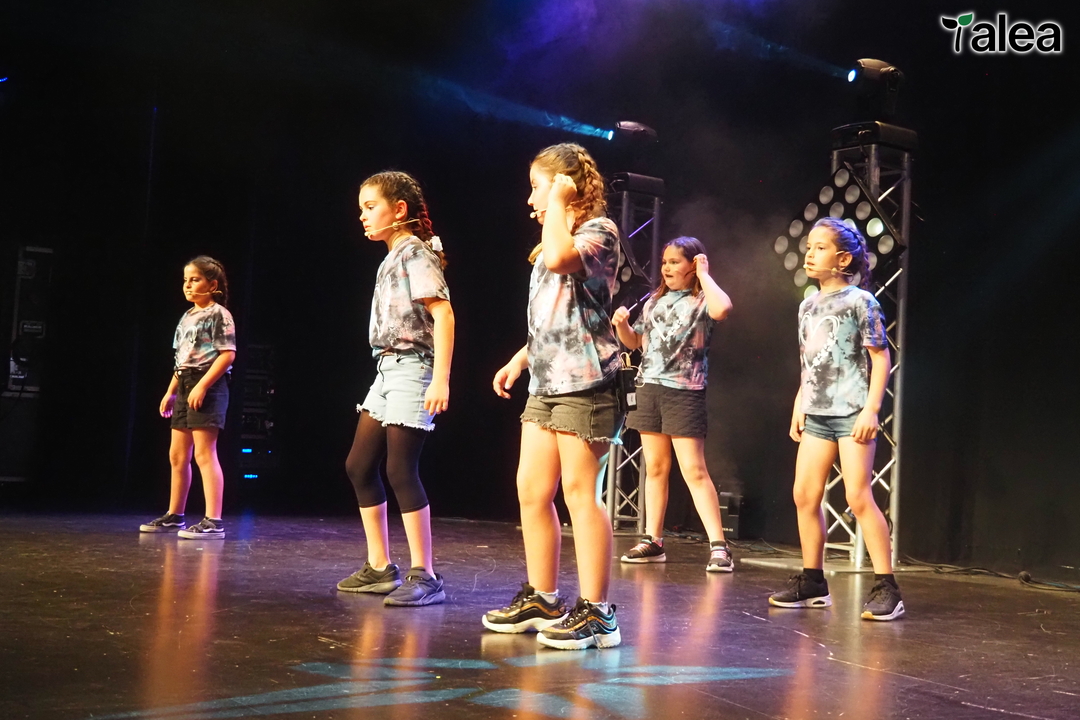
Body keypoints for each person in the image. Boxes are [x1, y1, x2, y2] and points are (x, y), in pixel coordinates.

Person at [482, 143, 623, 650]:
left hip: (587, 384)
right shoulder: (553, 237)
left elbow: (564, 260)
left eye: (538, 187)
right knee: (531, 489)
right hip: (547, 383)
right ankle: (543, 598)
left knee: (581, 494)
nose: (531, 199)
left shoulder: (599, 233)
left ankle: (599, 613)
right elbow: (556, 315)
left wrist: (559, 203)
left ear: (565, 186)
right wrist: (521, 358)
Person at [768, 217, 904, 621]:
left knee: (858, 497)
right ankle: (813, 581)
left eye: (820, 247)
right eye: (809, 247)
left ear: (843, 259)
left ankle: (887, 587)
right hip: (818, 413)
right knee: (804, 494)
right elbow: (809, 361)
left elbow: (881, 358)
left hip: (850, 412)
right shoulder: (807, 305)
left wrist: (871, 409)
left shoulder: (862, 302)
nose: (810, 253)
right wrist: (800, 402)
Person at [336, 171, 454, 608]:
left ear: (399, 209)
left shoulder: (415, 253)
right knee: (358, 465)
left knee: (401, 469)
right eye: (361, 209)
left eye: (371, 207)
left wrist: (440, 378)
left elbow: (444, 314)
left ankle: (426, 574)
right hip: (387, 369)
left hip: (413, 368)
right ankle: (380, 567)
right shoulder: (392, 257)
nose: (363, 216)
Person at [611, 236, 735, 572]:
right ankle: (653, 541)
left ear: (692, 264)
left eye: (675, 262)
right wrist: (623, 326)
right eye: (664, 262)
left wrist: (704, 275)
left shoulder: (702, 299)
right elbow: (637, 343)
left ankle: (720, 547)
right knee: (655, 468)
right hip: (649, 388)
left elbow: (723, 309)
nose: (666, 267)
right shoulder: (655, 301)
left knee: (693, 469)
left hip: (684, 390)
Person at [140, 256, 235, 540]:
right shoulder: (187, 316)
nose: (188, 285)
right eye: (185, 280)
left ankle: (213, 520)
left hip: (207, 383)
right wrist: (171, 391)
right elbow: (181, 360)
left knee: (205, 453)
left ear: (212, 285)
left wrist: (202, 386)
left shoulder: (219, 314)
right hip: (185, 383)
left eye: (195, 280)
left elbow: (227, 355)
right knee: (178, 455)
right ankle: (175, 515)